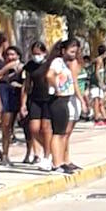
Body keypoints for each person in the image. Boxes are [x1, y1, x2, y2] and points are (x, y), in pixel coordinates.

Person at [45, 38, 80, 174]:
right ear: (63, 51)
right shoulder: (57, 62)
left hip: (65, 100)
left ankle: (61, 161)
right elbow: (49, 75)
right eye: (71, 51)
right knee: (58, 133)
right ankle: (56, 163)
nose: (73, 54)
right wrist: (56, 88)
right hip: (58, 100)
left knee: (62, 132)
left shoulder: (65, 64)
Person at [19, 41, 51, 168]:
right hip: (35, 99)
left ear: (44, 52)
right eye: (34, 54)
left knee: (46, 128)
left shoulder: (50, 64)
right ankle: (49, 148)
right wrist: (23, 104)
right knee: (34, 128)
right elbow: (26, 85)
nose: (36, 56)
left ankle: (47, 155)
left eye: (39, 53)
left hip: (48, 99)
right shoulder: (30, 66)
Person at [0, 35, 23, 165]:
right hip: (1, 93)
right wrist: (6, 68)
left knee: (8, 127)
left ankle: (5, 154)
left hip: (10, 93)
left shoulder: (4, 59)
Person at [89, 45, 106, 126]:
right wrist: (100, 83)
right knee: (96, 101)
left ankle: (104, 118)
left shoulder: (101, 60)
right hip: (96, 84)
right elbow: (97, 72)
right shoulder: (99, 60)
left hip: (99, 84)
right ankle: (96, 118)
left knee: (101, 101)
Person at [76, 55, 91, 121]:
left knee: (86, 100)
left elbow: (87, 80)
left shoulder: (85, 70)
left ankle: (87, 113)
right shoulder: (76, 70)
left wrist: (87, 88)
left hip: (84, 89)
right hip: (77, 90)